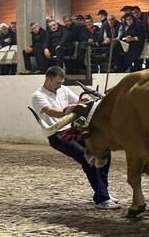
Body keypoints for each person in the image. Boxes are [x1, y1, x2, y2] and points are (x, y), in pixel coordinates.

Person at [31, 66, 119, 209]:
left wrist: (86, 101)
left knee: (104, 152)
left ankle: (104, 192)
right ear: (48, 79)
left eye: (61, 82)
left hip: (73, 130)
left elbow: (78, 101)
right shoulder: (38, 95)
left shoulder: (63, 89)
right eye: (57, 82)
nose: (60, 85)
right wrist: (73, 109)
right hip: (57, 134)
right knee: (88, 159)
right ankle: (102, 199)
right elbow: (52, 112)